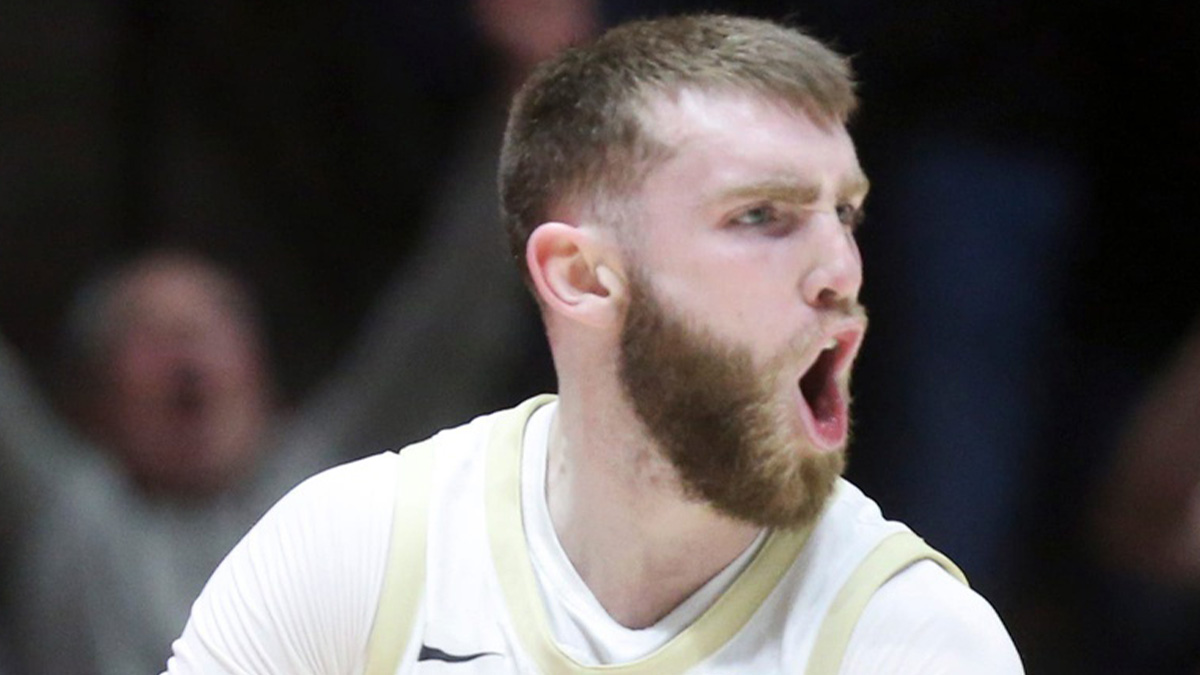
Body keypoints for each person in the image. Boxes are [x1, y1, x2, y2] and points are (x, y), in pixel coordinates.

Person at [162, 14, 1023, 673]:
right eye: (761, 216)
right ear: (579, 275)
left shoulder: (912, 639)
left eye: (845, 213)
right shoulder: (354, 552)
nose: (840, 266)